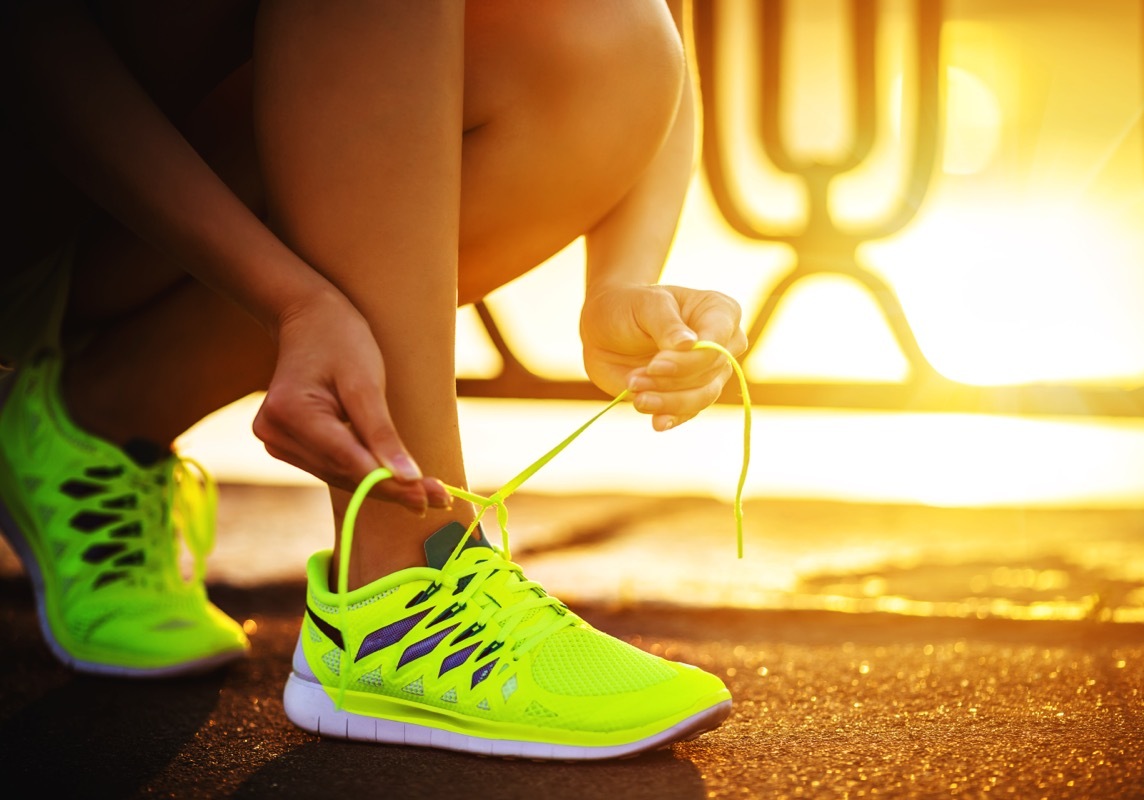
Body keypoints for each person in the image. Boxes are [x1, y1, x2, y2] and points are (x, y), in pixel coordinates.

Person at [0, 0, 747, 760]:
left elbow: (665, 24)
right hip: (53, 182)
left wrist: (618, 283)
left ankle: (94, 418)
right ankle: (399, 584)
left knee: (611, 41)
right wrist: (288, 299)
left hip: (194, 172)